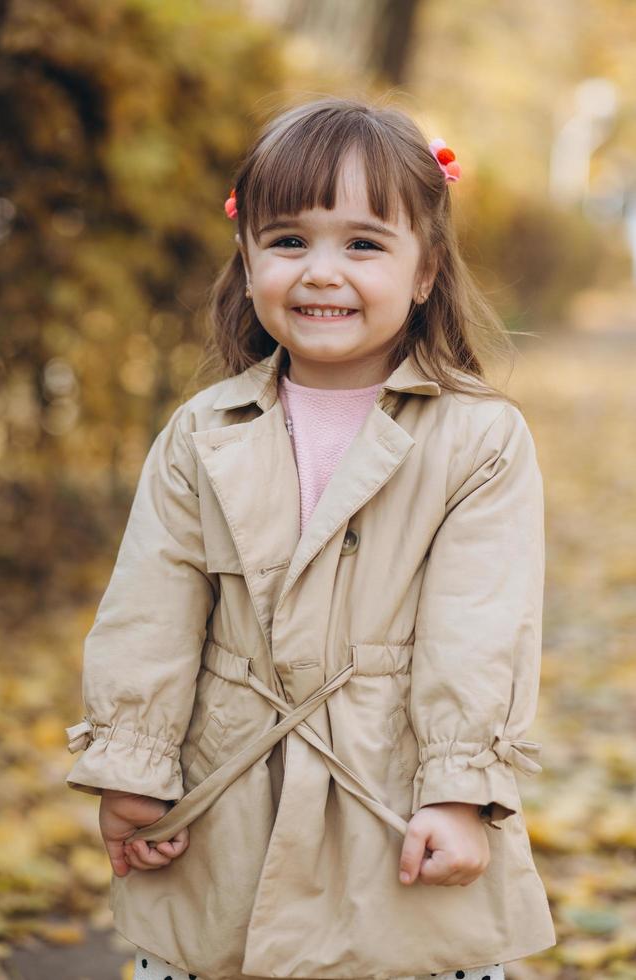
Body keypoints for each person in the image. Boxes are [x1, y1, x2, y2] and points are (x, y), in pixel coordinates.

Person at [64, 96, 556, 980]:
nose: (321, 271)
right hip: (228, 789)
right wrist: (132, 766)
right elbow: (153, 605)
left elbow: (480, 629)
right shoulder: (201, 432)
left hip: (390, 796)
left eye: (363, 243)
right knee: (216, 950)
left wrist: (460, 791)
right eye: (289, 240)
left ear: (425, 270)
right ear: (247, 260)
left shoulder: (478, 439)